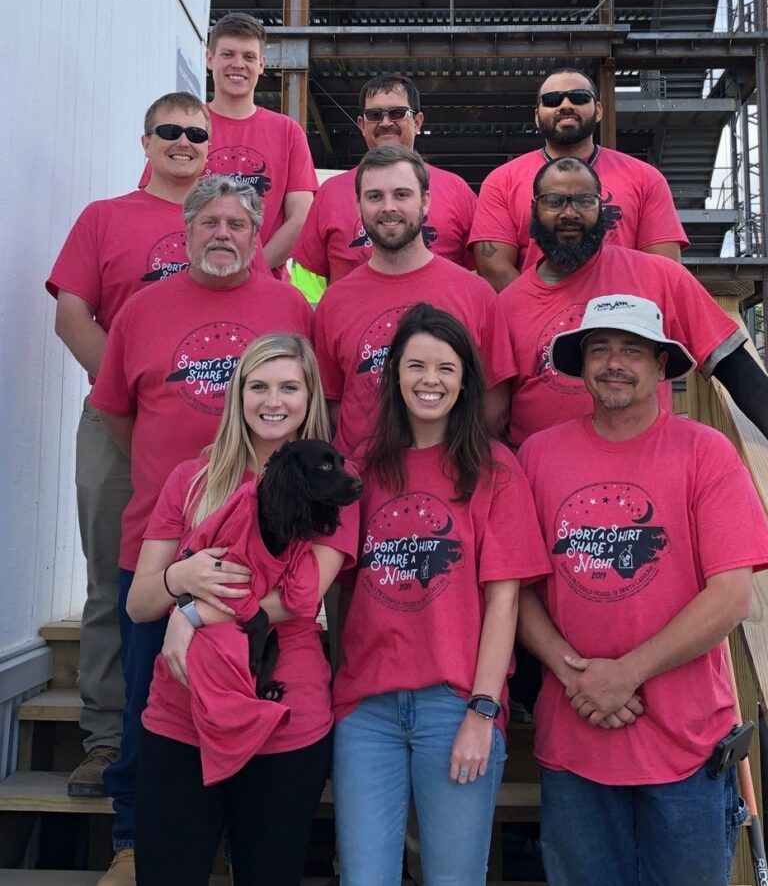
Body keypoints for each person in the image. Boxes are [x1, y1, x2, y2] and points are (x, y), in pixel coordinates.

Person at [90, 176, 313, 885]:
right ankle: (135, 840)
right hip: (165, 536)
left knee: (249, 685)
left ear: (258, 235)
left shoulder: (288, 305)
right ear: (184, 233)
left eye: (238, 223)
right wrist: (177, 476)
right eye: (209, 221)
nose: (224, 232)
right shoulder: (140, 309)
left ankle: (237, 831)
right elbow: (118, 411)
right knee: (149, 704)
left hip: (264, 555)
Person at [516, 294, 768, 885]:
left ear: (661, 367)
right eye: (599, 349)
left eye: (632, 350)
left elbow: (732, 595)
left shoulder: (706, 452)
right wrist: (577, 675)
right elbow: (515, 588)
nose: (614, 363)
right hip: (574, 740)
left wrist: (624, 673)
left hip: (686, 746)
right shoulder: (536, 457)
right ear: (580, 365)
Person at [122, 334, 359, 886]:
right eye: (258, 386)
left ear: (310, 397)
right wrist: (180, 576)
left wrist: (189, 614)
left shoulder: (332, 486)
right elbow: (138, 604)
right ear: (238, 395)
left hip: (283, 712)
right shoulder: (190, 479)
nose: (273, 400)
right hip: (181, 713)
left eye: (289, 387)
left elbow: (293, 602)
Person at [332, 304, 551, 885]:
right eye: (417, 366)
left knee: (454, 878)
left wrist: (483, 709)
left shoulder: (495, 470)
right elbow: (320, 576)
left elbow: (504, 601)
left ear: (465, 381)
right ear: (395, 375)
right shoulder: (360, 472)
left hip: (455, 705)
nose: (431, 380)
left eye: (446, 368)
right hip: (367, 711)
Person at [45, 91, 210, 799]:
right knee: (115, 580)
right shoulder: (104, 218)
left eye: (195, 134)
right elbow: (70, 314)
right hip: (117, 430)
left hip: (207, 437)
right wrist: (127, 395)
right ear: (145, 143)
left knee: (207, 579)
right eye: (168, 131)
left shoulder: (222, 219)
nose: (182, 142)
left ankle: (202, 719)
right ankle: (106, 735)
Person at [500, 155, 768, 449]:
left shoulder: (660, 276)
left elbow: (734, 366)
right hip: (542, 477)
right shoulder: (506, 305)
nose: (570, 213)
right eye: (554, 200)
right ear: (533, 209)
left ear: (602, 208)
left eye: (584, 201)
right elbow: (492, 416)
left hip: (646, 467)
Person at [314, 146, 514, 456]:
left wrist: (439, 457)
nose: (388, 207)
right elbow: (332, 403)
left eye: (402, 194)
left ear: (425, 202)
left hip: (451, 479)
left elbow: (496, 400)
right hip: (363, 489)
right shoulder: (334, 301)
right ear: (359, 206)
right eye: (375, 196)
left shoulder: (475, 293)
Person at [470, 66, 688, 289]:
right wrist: (540, 311)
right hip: (533, 317)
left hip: (621, 315)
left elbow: (664, 266)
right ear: (537, 116)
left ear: (599, 110)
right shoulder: (501, 180)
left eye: (579, 97)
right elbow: (493, 268)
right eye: (552, 100)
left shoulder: (645, 177)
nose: (566, 105)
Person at [140, 12, 317, 275]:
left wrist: (251, 271)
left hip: (262, 288)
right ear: (209, 59)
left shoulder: (288, 132)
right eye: (227, 54)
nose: (238, 64)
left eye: (248, 57)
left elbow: (301, 218)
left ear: (262, 64)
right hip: (186, 282)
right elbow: (154, 203)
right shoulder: (184, 129)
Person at [290, 72, 477, 303]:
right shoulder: (330, 192)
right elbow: (308, 281)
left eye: (397, 113)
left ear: (417, 121)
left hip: (438, 333)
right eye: (375, 115)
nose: (386, 122)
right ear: (362, 124)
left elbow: (477, 277)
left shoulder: (456, 190)